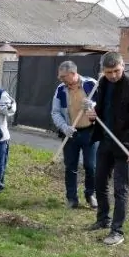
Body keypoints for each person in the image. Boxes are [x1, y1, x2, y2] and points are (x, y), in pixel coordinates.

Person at [86, 51, 129, 246]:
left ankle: (117, 231)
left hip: (125, 145)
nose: (113, 75)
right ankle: (103, 219)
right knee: (99, 183)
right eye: (109, 72)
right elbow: (103, 110)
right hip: (106, 141)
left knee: (120, 189)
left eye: (116, 71)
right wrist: (93, 114)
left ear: (123, 66)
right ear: (103, 71)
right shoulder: (103, 83)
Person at [51, 60, 99, 209]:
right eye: (60, 76)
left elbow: (104, 105)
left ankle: (90, 194)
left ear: (73, 73)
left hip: (90, 132)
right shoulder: (60, 90)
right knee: (70, 166)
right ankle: (72, 198)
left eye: (63, 76)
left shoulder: (91, 84)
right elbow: (55, 112)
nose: (60, 79)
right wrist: (64, 127)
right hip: (71, 134)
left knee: (91, 166)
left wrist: (93, 106)